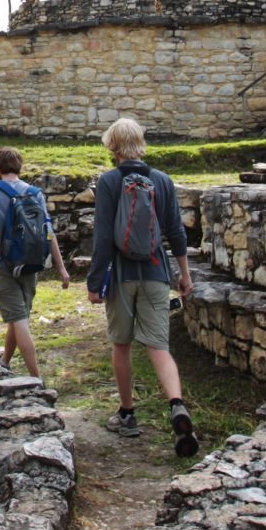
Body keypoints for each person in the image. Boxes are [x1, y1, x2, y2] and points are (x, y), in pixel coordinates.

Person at [87, 118, 199, 457]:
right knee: (159, 346)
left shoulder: (108, 182)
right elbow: (176, 232)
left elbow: (104, 237)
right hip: (155, 271)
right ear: (141, 143)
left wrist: (95, 282)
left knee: (121, 344)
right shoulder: (162, 181)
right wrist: (184, 274)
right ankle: (177, 405)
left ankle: (127, 414)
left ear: (112, 147)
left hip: (122, 275)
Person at [0, 147, 72, 379]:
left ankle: (36, 379)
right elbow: (48, 231)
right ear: (19, 167)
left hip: (3, 265)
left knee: (20, 321)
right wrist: (61, 268)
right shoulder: (35, 193)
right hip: (31, 265)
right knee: (18, 316)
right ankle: (5, 362)